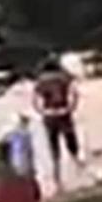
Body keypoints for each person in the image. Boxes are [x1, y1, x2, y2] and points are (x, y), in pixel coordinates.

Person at [33, 57, 82, 190]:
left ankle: (57, 176)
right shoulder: (64, 78)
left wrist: (43, 111)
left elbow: (36, 100)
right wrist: (70, 108)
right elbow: (74, 93)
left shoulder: (40, 81)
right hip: (64, 112)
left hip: (49, 115)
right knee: (70, 140)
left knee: (54, 145)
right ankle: (78, 166)